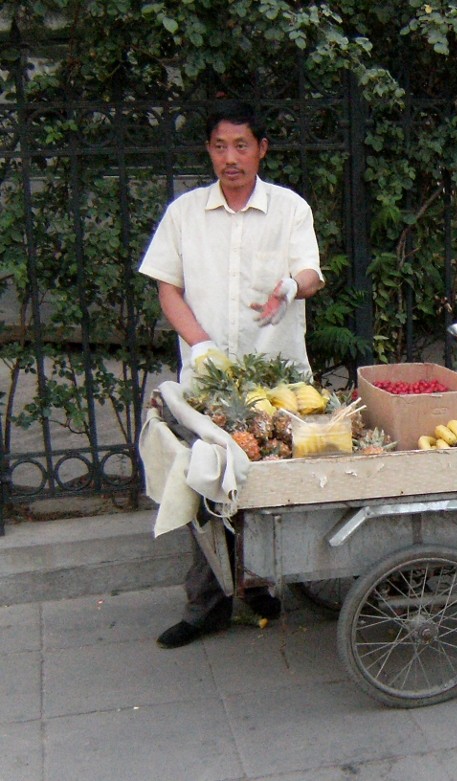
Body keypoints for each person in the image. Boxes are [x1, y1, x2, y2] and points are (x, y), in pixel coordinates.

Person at [139, 100, 325, 649]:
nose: (230, 158)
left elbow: (310, 273)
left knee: (265, 483)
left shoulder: (289, 209)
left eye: (241, 145)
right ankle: (207, 603)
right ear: (209, 151)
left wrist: (288, 289)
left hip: (277, 379)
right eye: (220, 146)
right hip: (206, 379)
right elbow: (166, 285)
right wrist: (198, 344)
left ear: (261, 149)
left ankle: (259, 584)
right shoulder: (185, 213)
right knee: (201, 483)